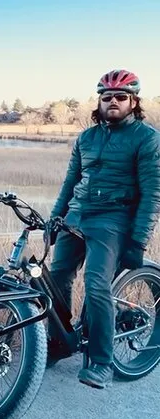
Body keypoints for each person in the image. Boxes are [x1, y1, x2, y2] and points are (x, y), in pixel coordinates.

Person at [48, 69, 160, 389]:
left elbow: (152, 193)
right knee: (57, 279)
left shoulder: (146, 138)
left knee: (96, 284)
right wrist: (56, 218)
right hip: (76, 215)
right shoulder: (87, 138)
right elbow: (71, 182)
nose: (113, 101)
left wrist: (138, 241)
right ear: (99, 102)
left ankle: (101, 362)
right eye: (107, 96)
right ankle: (60, 341)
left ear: (133, 102)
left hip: (113, 218)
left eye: (121, 97)